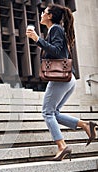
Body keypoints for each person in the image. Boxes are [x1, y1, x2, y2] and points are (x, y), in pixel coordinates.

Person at [26, 4, 97, 161]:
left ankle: (62, 146)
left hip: (61, 79)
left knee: (47, 112)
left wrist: (37, 39)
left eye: (44, 12)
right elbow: (57, 50)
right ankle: (85, 125)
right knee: (54, 113)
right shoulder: (55, 30)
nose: (42, 14)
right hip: (67, 79)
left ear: (50, 16)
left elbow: (57, 51)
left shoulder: (55, 29)